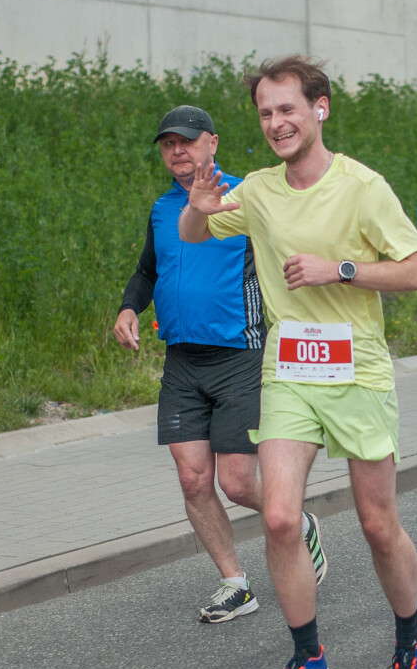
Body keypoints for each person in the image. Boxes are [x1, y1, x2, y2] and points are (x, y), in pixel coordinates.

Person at [178, 56, 417, 669]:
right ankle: (308, 656)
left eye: (287, 108)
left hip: (357, 370)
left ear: (320, 108)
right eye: (266, 113)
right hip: (289, 372)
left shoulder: (362, 186)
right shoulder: (261, 189)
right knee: (279, 514)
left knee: (379, 524)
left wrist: (339, 268)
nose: (276, 123)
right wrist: (197, 208)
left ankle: (412, 636)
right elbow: (198, 230)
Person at [113, 104, 326, 625]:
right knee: (192, 480)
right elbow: (146, 270)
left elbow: (290, 257)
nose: (177, 151)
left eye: (186, 141)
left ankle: (297, 524)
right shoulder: (164, 210)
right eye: (168, 144)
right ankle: (235, 583)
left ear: (212, 143)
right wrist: (127, 308)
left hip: (242, 356)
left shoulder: (247, 197)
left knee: (235, 482)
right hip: (183, 360)